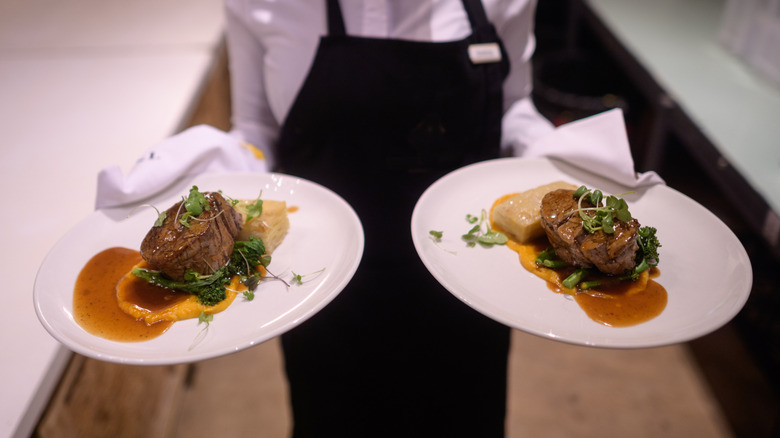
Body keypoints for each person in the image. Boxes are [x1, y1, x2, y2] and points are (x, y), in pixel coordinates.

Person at [224, 0, 554, 436]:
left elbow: (513, 106)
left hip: (467, 288)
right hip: (323, 292)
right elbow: (256, 128)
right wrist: (215, 168)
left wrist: (558, 156)